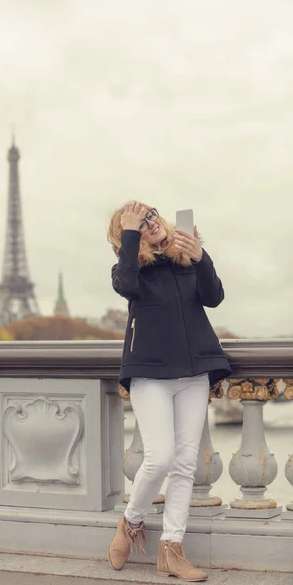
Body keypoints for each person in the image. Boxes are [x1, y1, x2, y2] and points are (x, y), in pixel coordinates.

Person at [106, 201, 231, 582]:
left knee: (184, 464)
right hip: (150, 375)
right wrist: (130, 238)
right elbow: (124, 287)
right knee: (159, 457)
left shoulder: (186, 260)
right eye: (138, 224)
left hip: (193, 373)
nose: (150, 224)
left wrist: (201, 257)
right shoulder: (131, 269)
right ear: (127, 237)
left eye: (150, 217)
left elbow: (214, 297)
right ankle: (129, 523)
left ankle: (172, 550)